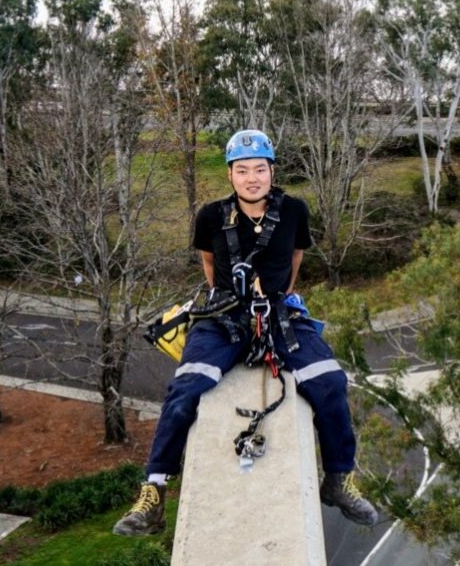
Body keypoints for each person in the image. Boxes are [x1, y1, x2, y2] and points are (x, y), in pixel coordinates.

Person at [114, 129, 378, 536]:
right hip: (223, 315)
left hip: (277, 311)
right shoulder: (211, 217)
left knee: (329, 380)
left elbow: (295, 259)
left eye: (260, 169)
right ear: (230, 175)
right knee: (186, 387)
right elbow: (208, 265)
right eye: (242, 170)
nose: (252, 178)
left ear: (272, 172)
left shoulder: (293, 211)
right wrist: (230, 301)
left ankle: (339, 478)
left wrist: (276, 298)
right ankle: (154, 492)